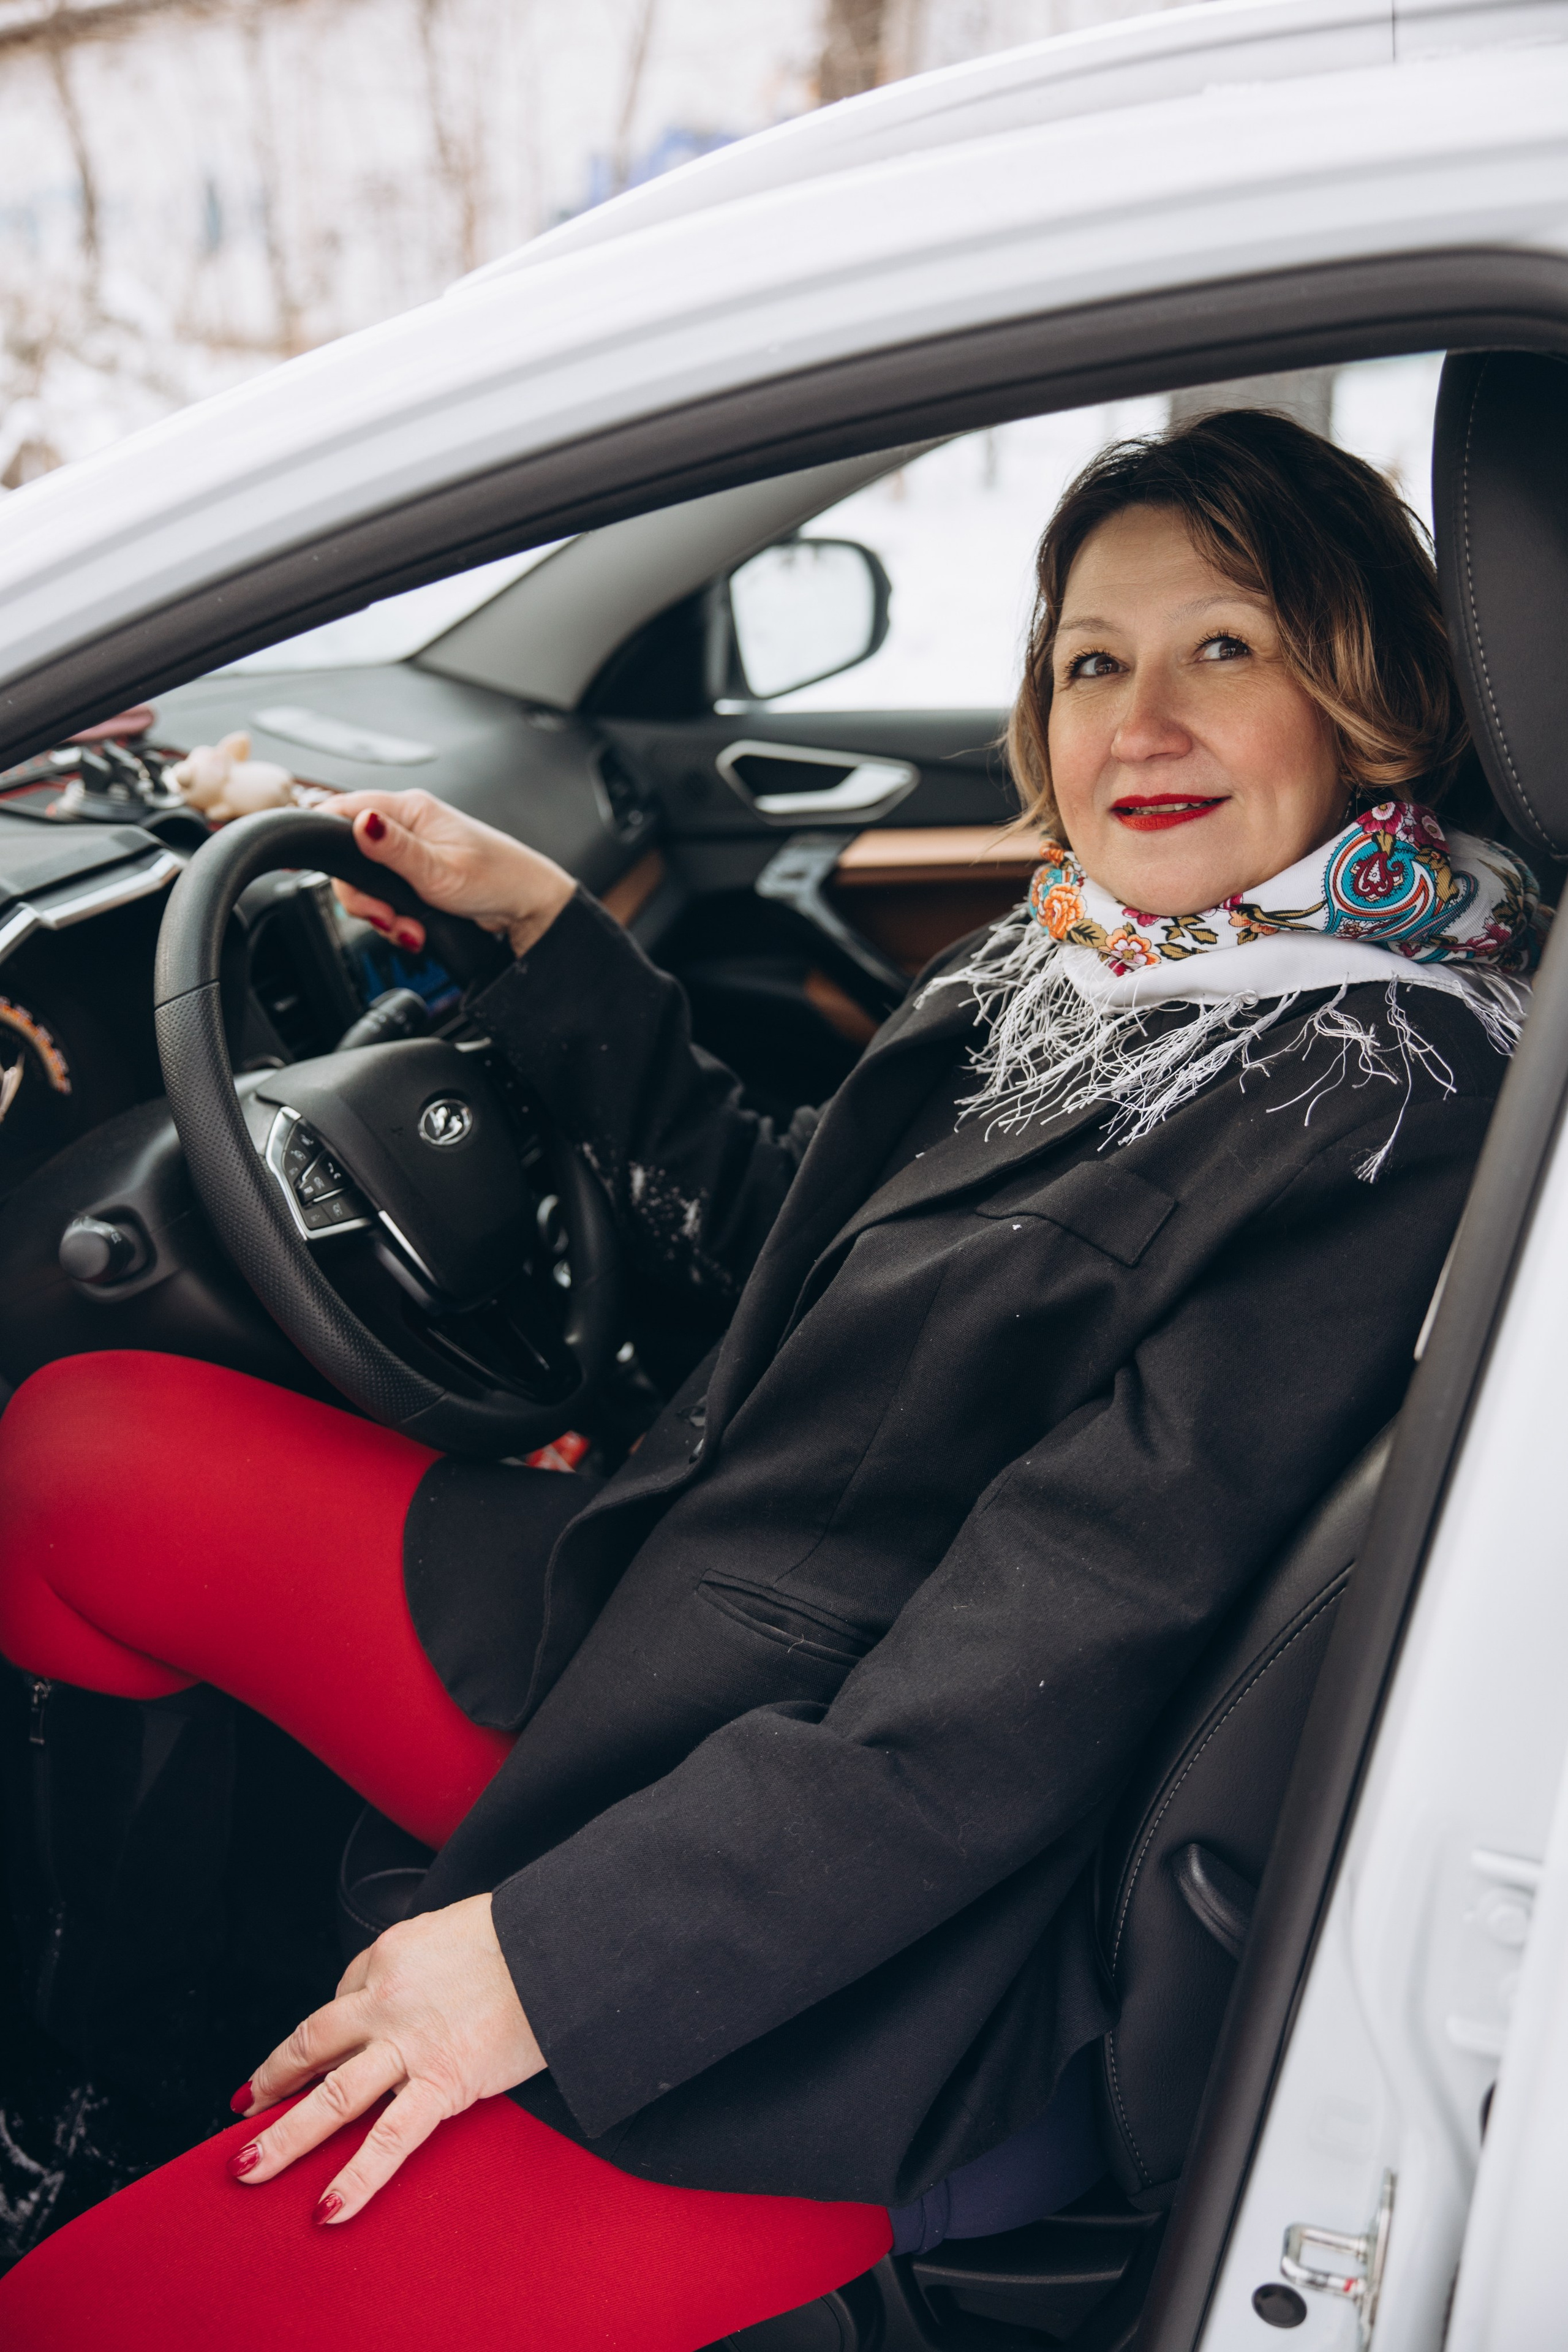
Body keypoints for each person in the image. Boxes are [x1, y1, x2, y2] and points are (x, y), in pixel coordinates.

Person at [0, 410, 1538, 2350]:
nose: (1140, 721)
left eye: (1223, 647)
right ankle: (99, 2095)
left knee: (80, 2321)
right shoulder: (1096, 961)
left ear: (1374, 701)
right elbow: (790, 1244)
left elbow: (1008, 1713)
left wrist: (535, 1969)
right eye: (1091, 661)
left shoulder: (1368, 1102)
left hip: (842, 1962)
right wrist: (547, 941)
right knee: (75, 1458)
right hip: (666, 1631)